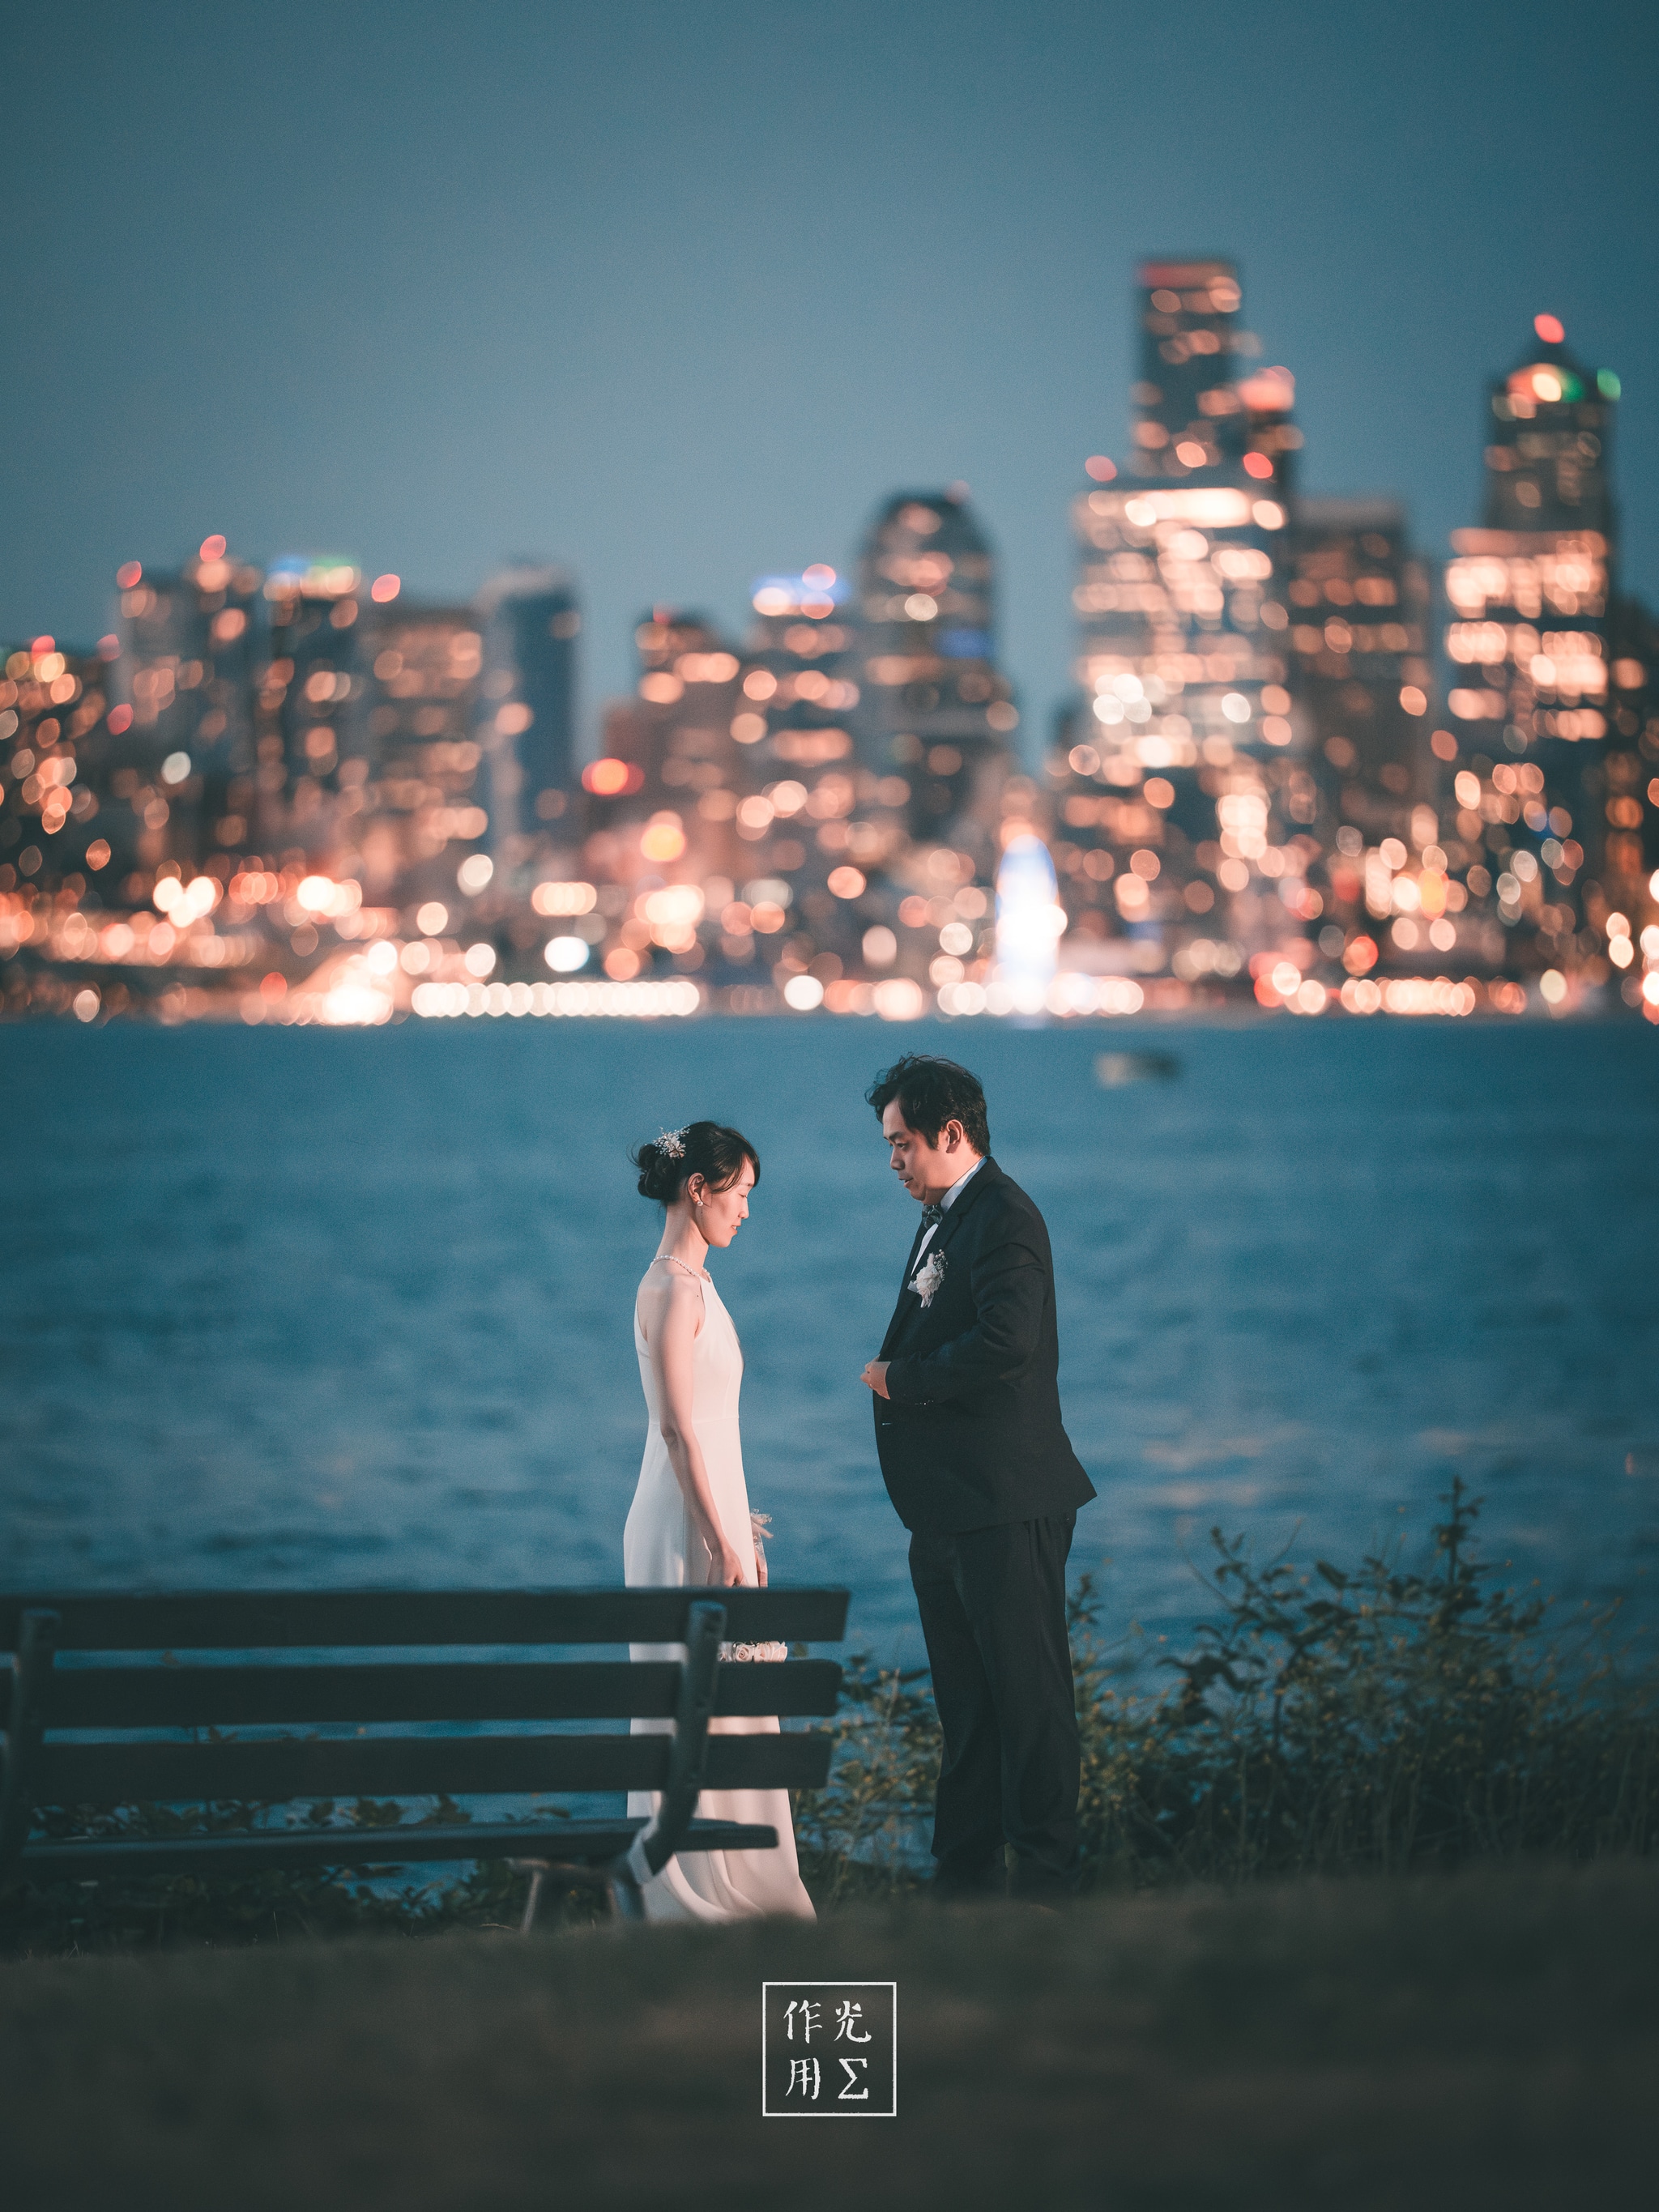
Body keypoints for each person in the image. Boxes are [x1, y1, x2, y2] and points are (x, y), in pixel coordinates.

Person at [859, 1055, 1096, 1900]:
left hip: (1005, 1501)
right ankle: (962, 1884)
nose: (893, 1160)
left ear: (951, 1132)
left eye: (902, 1143)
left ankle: (1044, 1884)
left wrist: (903, 1380)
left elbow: (1008, 1341)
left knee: (1029, 1704)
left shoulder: (1004, 1215)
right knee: (967, 1710)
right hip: (949, 1508)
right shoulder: (947, 1217)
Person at [623, 1119, 815, 1922]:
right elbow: (676, 1428)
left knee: (731, 1701)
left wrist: (743, 1530)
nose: (745, 1210)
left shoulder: (697, 1283)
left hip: (710, 1511)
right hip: (681, 1520)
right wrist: (716, 1535)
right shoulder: (671, 1287)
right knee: (693, 1698)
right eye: (738, 1193)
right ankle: (694, 1890)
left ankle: (746, 1880)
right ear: (697, 1189)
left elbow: (713, 1426)